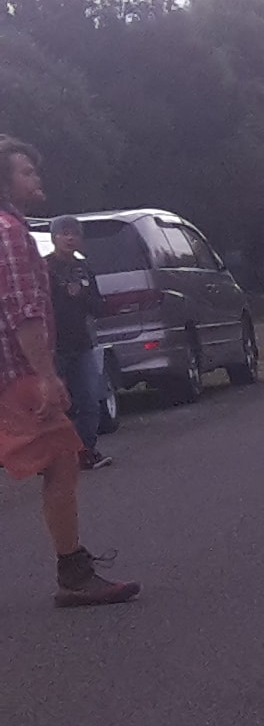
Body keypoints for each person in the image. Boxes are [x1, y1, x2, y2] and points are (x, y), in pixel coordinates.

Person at [0, 139, 137, 606]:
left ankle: (74, 571)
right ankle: (74, 575)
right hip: (16, 376)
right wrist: (46, 374)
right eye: (26, 172)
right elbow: (23, 312)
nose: (35, 179)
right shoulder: (10, 234)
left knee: (59, 458)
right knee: (61, 457)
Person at [44, 216, 111, 469]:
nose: (69, 238)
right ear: (55, 237)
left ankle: (85, 450)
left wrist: (81, 294)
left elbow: (98, 306)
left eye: (74, 234)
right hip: (54, 346)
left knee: (90, 400)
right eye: (64, 234)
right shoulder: (45, 267)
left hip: (82, 343)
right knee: (53, 404)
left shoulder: (84, 268)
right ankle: (51, 457)